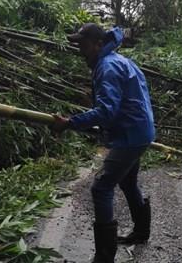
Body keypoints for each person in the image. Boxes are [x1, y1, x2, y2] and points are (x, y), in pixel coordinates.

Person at [51, 23, 155, 263]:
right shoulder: (119, 61)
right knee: (128, 182)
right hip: (140, 131)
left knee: (102, 187)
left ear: (98, 44)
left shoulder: (107, 66)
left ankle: (104, 256)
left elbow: (106, 111)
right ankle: (141, 232)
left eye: (84, 45)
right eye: (78, 45)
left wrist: (69, 123)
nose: (80, 51)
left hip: (131, 135)